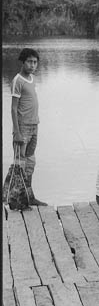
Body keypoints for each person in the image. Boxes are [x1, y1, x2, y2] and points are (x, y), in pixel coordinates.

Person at [6, 48, 46, 206]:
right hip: (22, 129)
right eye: (29, 62)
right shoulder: (18, 80)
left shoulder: (32, 78)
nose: (32, 65)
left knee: (30, 163)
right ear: (23, 62)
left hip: (34, 125)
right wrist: (16, 132)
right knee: (19, 164)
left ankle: (29, 197)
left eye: (35, 62)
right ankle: (16, 200)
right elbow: (13, 108)